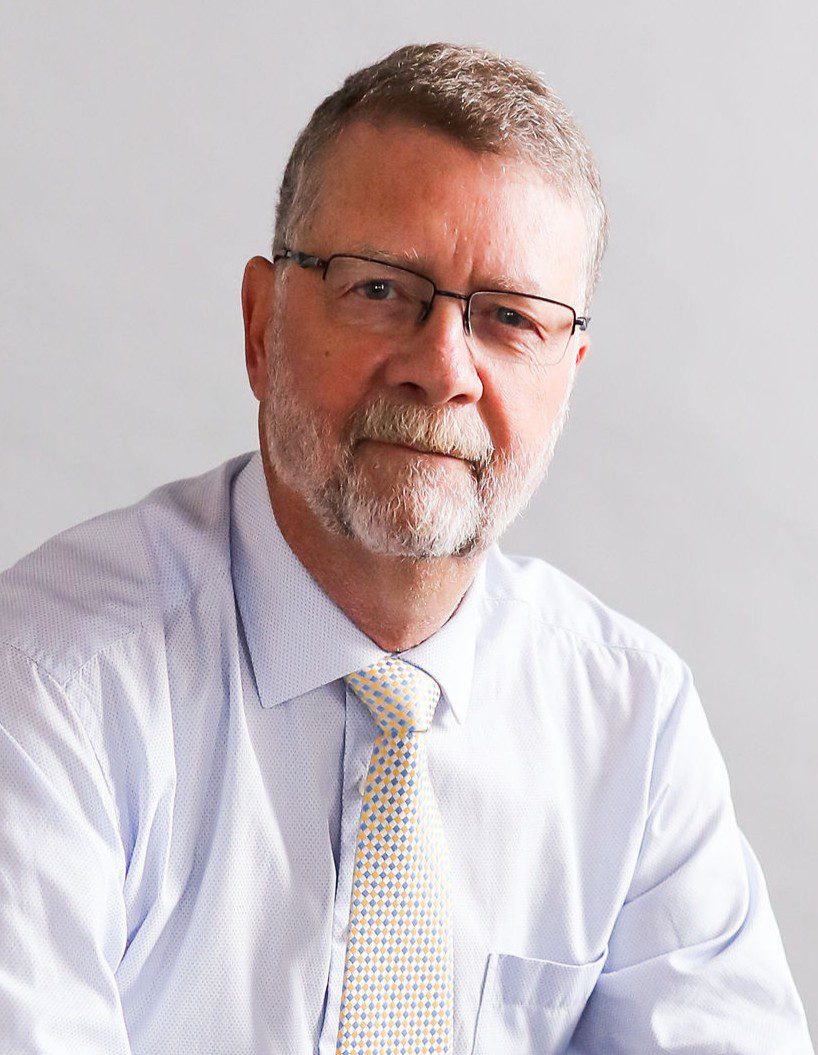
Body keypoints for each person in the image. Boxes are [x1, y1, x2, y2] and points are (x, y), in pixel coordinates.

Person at [0, 41, 812, 1055]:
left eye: (509, 318)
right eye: (380, 288)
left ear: (568, 374)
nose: (441, 368)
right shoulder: (49, 688)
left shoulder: (630, 728)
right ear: (261, 324)